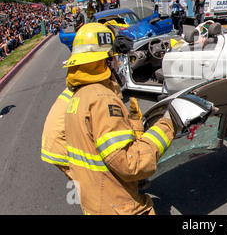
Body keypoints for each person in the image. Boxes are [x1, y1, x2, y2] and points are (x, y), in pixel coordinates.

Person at [61, 23, 206, 215]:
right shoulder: (102, 100)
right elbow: (131, 163)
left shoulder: (77, 98)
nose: (117, 63)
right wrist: (170, 122)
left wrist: (135, 124)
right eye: (114, 57)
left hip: (98, 204)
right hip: (121, 208)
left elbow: (108, 151)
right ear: (104, 61)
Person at [41, 88, 75, 180]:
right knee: (90, 181)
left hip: (51, 142)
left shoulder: (73, 85)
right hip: (59, 144)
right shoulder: (92, 90)